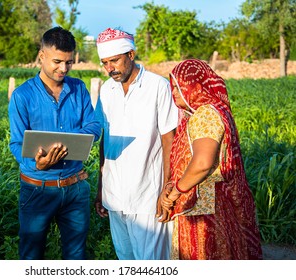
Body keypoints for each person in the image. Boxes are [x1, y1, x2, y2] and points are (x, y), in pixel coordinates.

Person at [8, 26, 101, 260]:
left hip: (75, 188)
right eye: (57, 61)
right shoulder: (22, 96)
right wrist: (36, 163)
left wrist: (79, 139)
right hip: (37, 188)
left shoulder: (78, 88)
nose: (63, 69)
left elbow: (93, 125)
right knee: (31, 256)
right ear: (42, 56)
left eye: (69, 63)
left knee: (77, 255)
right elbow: (17, 143)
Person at [159, 59, 263, 260]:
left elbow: (202, 163)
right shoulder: (218, 110)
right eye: (173, 86)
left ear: (196, 87)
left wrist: (176, 192)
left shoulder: (205, 114)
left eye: (180, 86)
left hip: (203, 206)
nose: (174, 92)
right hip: (218, 201)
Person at [94, 28, 179, 260]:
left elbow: (169, 139)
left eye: (115, 60)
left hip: (147, 195)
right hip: (114, 194)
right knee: (125, 258)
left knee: (151, 263)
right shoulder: (106, 90)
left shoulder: (158, 86)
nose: (110, 68)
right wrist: (101, 187)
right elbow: (105, 139)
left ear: (131, 55)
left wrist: (167, 187)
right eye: (104, 63)